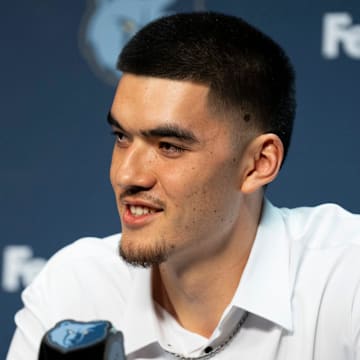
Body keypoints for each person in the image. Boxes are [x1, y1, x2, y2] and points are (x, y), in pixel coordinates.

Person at [6, 11, 360, 360]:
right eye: (122, 137)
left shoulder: (347, 275)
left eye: (169, 147)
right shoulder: (75, 288)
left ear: (258, 164)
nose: (127, 175)